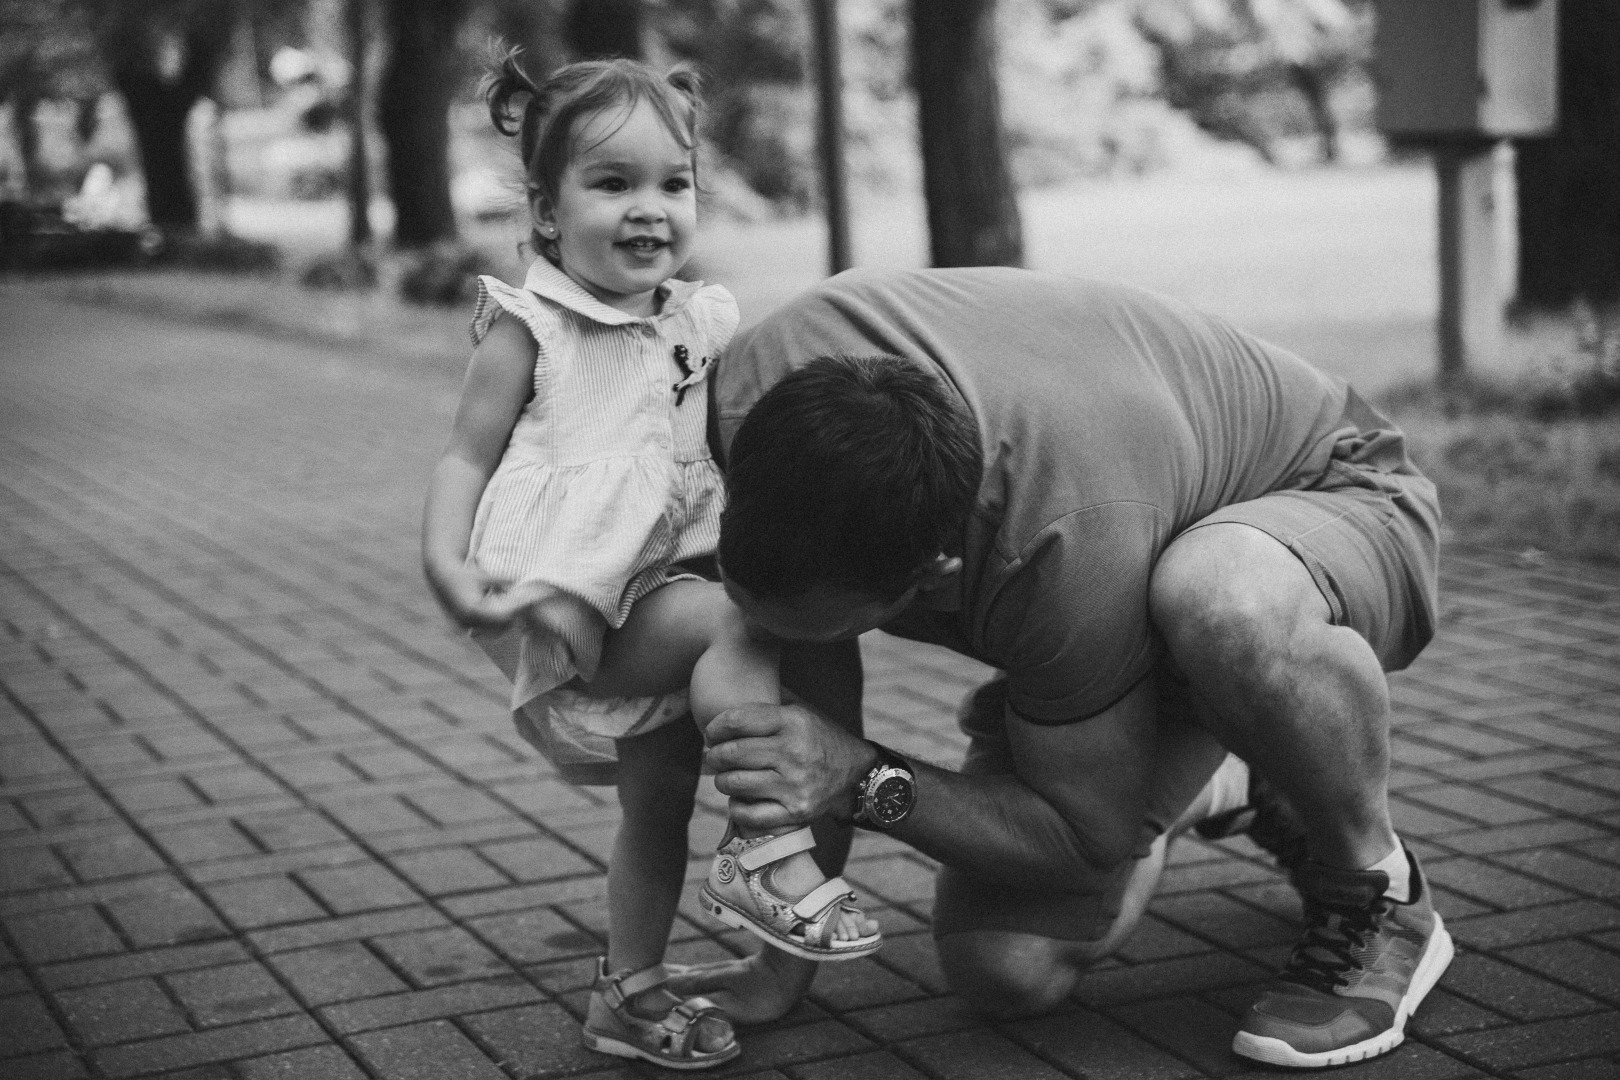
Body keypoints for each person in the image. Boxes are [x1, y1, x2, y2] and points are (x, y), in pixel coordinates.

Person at [672, 266, 1454, 1070]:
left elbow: (1082, 838)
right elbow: (808, 725)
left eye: (814, 625)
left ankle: (1377, 886)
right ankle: (1242, 769)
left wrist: (858, 777)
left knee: (1220, 597)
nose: (763, 633)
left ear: (934, 580)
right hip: (1132, 556)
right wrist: (781, 967)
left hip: (1340, 490)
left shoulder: (1060, 543)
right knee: (1006, 968)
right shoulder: (747, 405)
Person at [420, 53, 878, 1071]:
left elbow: (717, 450)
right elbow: (464, 456)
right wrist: (446, 565)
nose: (650, 210)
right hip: (580, 605)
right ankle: (766, 846)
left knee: (658, 802)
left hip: (662, 584)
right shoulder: (529, 326)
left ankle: (625, 995)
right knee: (737, 623)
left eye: (673, 183)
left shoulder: (694, 321)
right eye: (612, 182)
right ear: (545, 210)